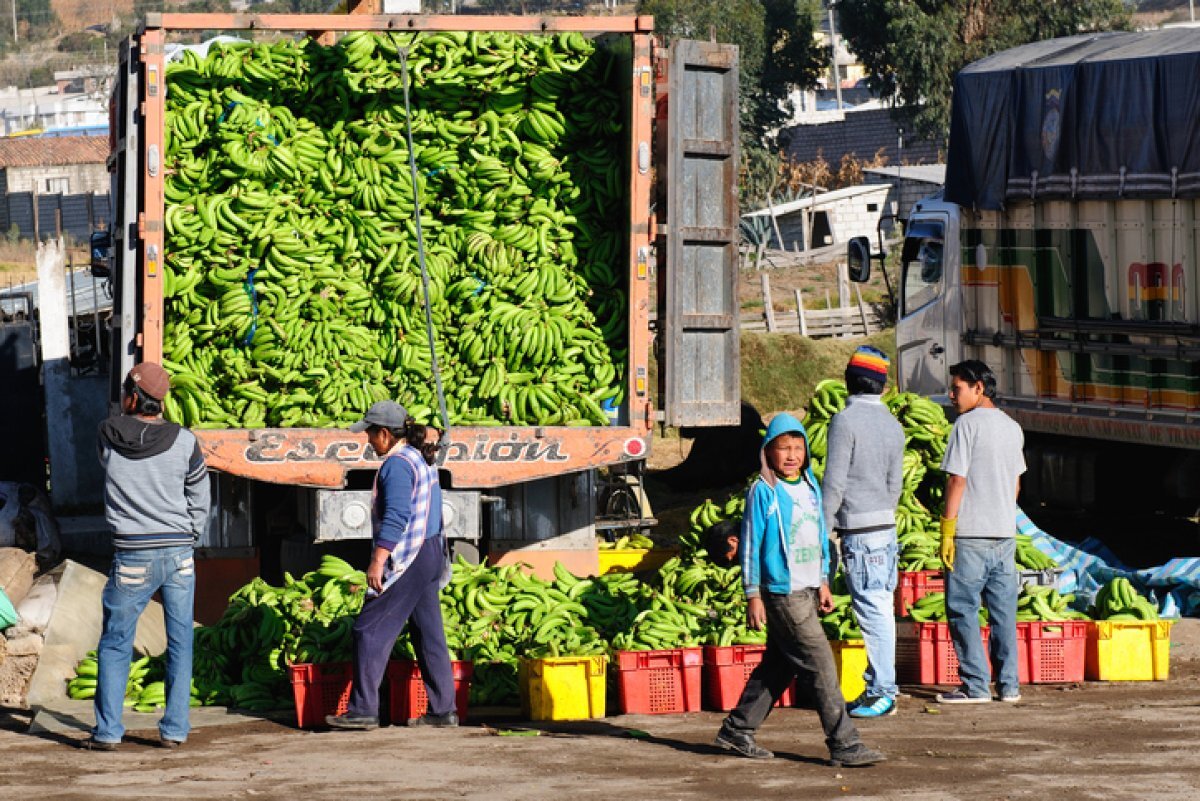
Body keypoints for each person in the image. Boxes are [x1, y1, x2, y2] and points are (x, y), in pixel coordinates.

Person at [714, 412, 885, 768]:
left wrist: (823, 580)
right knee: (821, 666)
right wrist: (752, 594)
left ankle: (737, 729)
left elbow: (820, 536)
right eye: (783, 448)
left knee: (779, 665)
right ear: (768, 452)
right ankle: (844, 743)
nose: (791, 455)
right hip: (781, 593)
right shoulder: (763, 492)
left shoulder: (809, 486)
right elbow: (750, 544)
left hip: (807, 589)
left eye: (797, 448)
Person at [87, 362, 210, 750]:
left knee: (115, 642)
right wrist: (191, 536)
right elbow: (200, 498)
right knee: (180, 642)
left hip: (132, 555)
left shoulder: (108, 434)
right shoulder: (186, 441)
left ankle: (108, 733)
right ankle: (174, 730)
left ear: (131, 396)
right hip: (178, 553)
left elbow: (110, 463)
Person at [326, 401, 457, 730]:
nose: (368, 440)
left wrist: (378, 559)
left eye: (371, 433)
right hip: (431, 551)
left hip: (409, 555)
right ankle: (443, 710)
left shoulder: (397, 465)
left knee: (368, 630)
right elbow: (437, 435)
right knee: (428, 633)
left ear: (385, 434)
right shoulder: (421, 455)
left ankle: (363, 710)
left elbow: (397, 515)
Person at [822, 346, 905, 718]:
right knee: (880, 606)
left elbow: (834, 482)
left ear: (848, 381)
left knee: (873, 611)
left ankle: (884, 691)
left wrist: (824, 529)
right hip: (885, 527)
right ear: (882, 386)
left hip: (860, 529)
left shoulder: (845, 420)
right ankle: (877, 686)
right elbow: (895, 484)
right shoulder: (893, 423)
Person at [936, 360, 1026, 704]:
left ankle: (975, 687)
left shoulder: (966, 425)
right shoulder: (1012, 427)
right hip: (1004, 535)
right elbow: (1016, 484)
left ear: (979, 388)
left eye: (957, 388)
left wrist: (948, 528)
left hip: (970, 534)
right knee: (1004, 613)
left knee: (963, 610)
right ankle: (1009, 687)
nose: (951, 395)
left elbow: (956, 479)